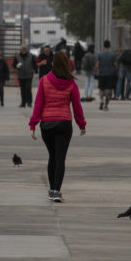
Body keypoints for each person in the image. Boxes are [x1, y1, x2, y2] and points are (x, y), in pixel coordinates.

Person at [28, 50, 86, 203]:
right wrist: (82, 124)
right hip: (64, 124)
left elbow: (38, 104)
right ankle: (56, 191)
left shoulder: (44, 80)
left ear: (53, 64)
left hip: (47, 125)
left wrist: (33, 123)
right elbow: (77, 106)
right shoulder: (71, 83)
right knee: (60, 158)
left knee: (52, 157)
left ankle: (51, 191)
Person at [96, 40, 117, 111]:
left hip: (102, 74)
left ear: (103, 46)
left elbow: (97, 65)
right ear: (109, 46)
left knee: (101, 89)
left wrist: (98, 70)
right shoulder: (113, 55)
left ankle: (101, 99)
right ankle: (106, 105)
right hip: (110, 74)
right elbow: (115, 65)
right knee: (109, 90)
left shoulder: (99, 54)